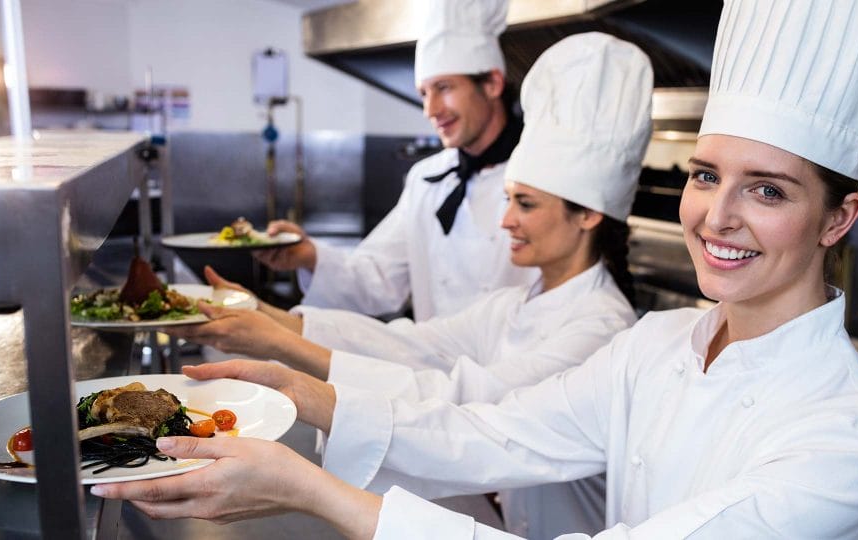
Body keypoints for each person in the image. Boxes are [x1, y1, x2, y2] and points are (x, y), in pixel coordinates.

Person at [92, 0, 858, 537]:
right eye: (705, 175)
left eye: (767, 190)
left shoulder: (845, 440)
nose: (717, 216)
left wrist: (320, 494)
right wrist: (300, 387)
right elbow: (497, 427)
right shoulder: (661, 344)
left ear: (840, 216)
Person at [166, 32, 654, 538]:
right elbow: (413, 345)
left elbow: (469, 402)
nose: (505, 220)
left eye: (524, 204)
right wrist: (269, 320)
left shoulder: (601, 329)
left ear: (588, 214)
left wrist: (292, 365)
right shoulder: (515, 304)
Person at [251, 0, 537, 322]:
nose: (431, 110)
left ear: (493, 84)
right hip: (435, 369)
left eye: (444, 88)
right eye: (424, 94)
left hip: (524, 369)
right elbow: (377, 279)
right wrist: (308, 256)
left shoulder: (542, 176)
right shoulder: (427, 179)